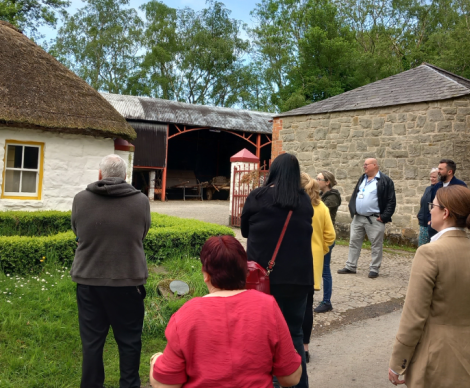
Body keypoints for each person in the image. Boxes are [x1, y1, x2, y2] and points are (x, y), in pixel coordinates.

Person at [150, 236, 303, 388]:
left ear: (205, 274)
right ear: (246, 272)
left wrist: (155, 360)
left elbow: (165, 384)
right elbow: (290, 378)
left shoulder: (186, 314)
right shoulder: (267, 306)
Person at [388, 185, 470, 387]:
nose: (430, 210)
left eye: (432, 205)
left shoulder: (430, 253)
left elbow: (414, 315)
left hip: (438, 355)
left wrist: (398, 361)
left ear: (445, 212)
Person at [70, 154, 151, 388]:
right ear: (126, 176)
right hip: (128, 280)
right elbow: (142, 233)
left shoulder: (80, 199)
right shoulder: (141, 201)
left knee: (92, 342)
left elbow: (78, 232)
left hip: (89, 279)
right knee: (129, 341)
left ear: (100, 175)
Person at [242, 153, 314, 388]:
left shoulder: (258, 197)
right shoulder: (304, 201)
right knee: (294, 334)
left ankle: (272, 383)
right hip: (298, 280)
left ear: (273, 171)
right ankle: (298, 384)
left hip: (264, 280)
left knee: (264, 337)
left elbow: (244, 231)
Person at [339, 158, 396, 278]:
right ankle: (351, 266)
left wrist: (385, 216)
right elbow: (356, 194)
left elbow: (391, 201)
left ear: (375, 165)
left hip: (374, 218)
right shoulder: (362, 178)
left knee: (376, 244)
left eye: (366, 164)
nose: (364, 166)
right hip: (358, 217)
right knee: (353, 242)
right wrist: (353, 208)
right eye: (364, 164)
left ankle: (374, 268)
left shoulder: (385, 180)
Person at [300, 173, 336, 362]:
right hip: (313, 262)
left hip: (294, 261)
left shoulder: (296, 205)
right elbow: (330, 236)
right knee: (307, 306)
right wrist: (320, 251)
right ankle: (305, 348)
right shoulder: (321, 207)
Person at [314, 170, 341, 313]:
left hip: (326, 237)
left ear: (327, 182)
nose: (316, 181)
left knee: (325, 270)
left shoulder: (333, 197)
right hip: (318, 236)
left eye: (319, 179)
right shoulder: (321, 195)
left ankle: (327, 301)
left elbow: (322, 208)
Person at [427, 159, 467, 238]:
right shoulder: (437, 186)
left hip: (451, 226)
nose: (438, 171)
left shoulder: (460, 186)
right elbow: (432, 203)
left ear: (449, 172)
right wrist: (430, 219)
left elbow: (463, 206)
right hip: (436, 227)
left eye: (441, 169)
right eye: (438, 168)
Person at [416, 168, 438, 247]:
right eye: (431, 177)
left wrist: (431, 219)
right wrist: (420, 213)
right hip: (423, 221)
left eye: (434, 177)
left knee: (432, 246)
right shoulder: (428, 189)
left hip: (432, 222)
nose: (432, 179)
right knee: (422, 246)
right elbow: (424, 202)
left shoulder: (439, 190)